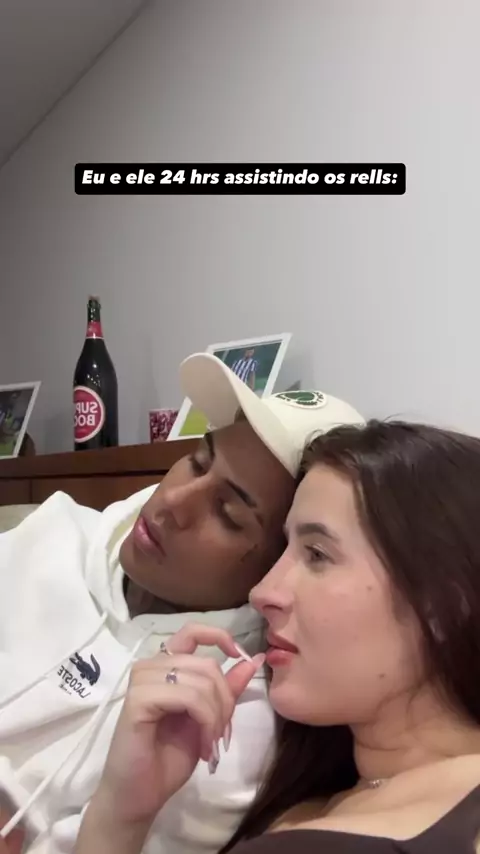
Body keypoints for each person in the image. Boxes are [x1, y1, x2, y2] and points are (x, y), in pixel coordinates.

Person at [0, 352, 363, 854]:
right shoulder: (55, 531)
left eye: (228, 512)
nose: (171, 502)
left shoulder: (224, 723)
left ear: (275, 570)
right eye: (197, 460)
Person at [74, 419, 480, 854]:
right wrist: (122, 812)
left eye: (317, 554)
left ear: (442, 604)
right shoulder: (321, 792)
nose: (263, 593)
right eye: (283, 551)